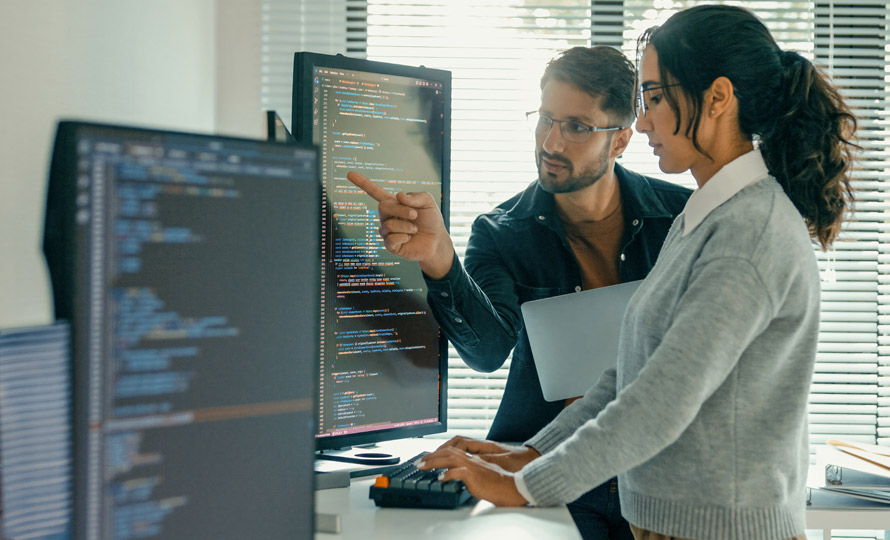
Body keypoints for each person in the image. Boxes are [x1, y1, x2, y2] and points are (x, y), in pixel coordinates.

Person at [415, 5, 858, 540]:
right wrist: (529, 456)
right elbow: (629, 378)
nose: (643, 120)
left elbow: (661, 401)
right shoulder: (702, 219)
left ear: (717, 98)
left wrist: (527, 485)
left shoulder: (750, 231)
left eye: (655, 99)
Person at [347, 46, 691, 540]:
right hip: (544, 471)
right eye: (546, 119)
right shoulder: (503, 230)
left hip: (657, 473)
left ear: (619, 141)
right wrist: (440, 260)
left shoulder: (681, 217)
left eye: (576, 126)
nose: (551, 141)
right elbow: (488, 352)